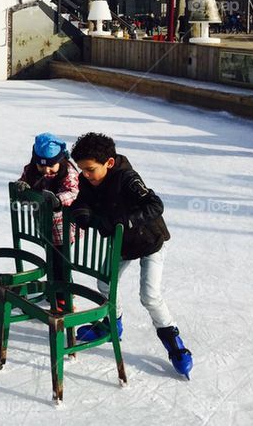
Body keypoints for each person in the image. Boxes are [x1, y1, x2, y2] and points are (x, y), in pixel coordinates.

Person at [69, 132, 192, 378]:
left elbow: (155, 205)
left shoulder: (127, 178)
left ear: (109, 163)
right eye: (82, 170)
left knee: (150, 296)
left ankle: (173, 341)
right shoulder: (88, 181)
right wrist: (81, 212)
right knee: (104, 283)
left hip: (150, 242)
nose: (85, 175)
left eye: (90, 169)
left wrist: (126, 220)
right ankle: (111, 325)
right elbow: (82, 200)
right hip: (123, 244)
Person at [15, 133, 79, 297]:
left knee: (60, 263)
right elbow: (23, 195)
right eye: (41, 165)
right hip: (43, 226)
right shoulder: (30, 171)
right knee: (51, 260)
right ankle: (54, 290)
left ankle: (64, 296)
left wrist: (58, 200)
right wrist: (22, 189)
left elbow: (74, 192)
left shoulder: (68, 173)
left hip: (64, 229)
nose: (46, 170)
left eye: (51, 165)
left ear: (61, 160)